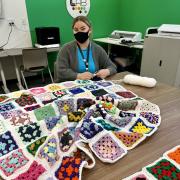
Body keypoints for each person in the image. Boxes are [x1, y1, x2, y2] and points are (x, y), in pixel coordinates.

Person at [55, 16, 117, 82]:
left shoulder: (97, 49)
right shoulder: (66, 49)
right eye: (76, 30)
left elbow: (112, 67)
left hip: (92, 86)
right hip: (71, 87)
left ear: (90, 30)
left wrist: (107, 71)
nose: (79, 32)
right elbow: (60, 72)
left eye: (83, 29)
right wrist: (78, 76)